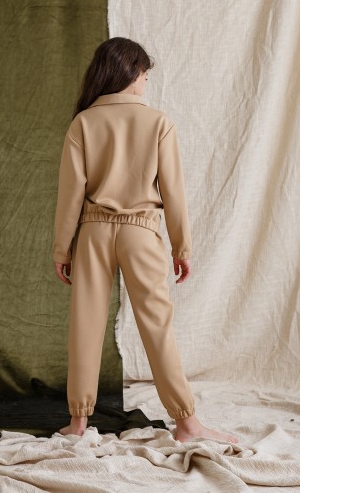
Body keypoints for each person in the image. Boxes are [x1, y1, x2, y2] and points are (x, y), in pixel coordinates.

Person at [52, 37, 238, 444]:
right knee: (157, 326)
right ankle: (187, 424)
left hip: (93, 232)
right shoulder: (158, 122)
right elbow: (174, 192)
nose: (146, 82)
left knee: (85, 324)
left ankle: (78, 423)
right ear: (132, 72)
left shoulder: (83, 123)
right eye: (145, 75)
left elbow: (70, 195)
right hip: (141, 232)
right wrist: (182, 248)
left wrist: (62, 249)